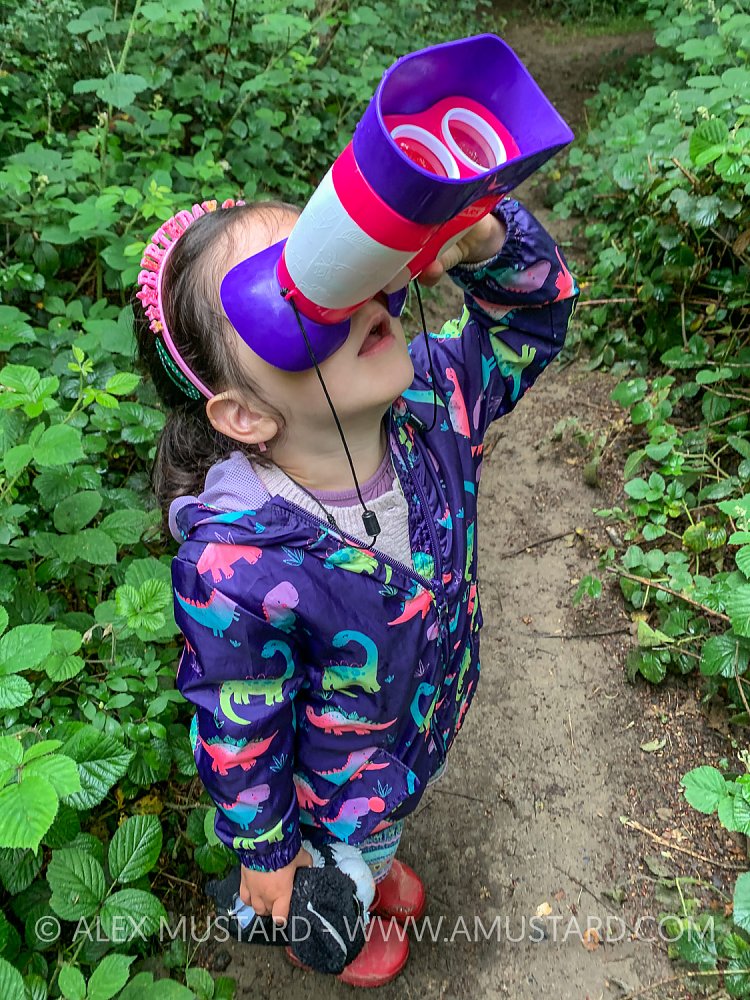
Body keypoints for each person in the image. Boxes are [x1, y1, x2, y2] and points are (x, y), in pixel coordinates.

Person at [134, 193, 578, 986]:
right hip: (331, 791)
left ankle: (380, 852)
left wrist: (486, 240)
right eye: (288, 300)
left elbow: (533, 323)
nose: (343, 298)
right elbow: (241, 726)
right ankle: (348, 907)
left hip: (417, 728)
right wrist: (268, 855)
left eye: (329, 259)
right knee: (351, 858)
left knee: (386, 825)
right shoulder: (237, 565)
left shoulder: (435, 409)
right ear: (242, 415)